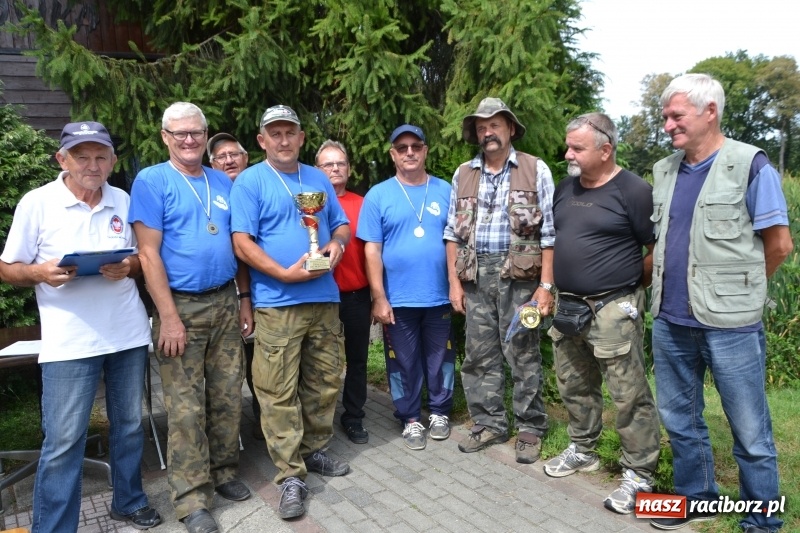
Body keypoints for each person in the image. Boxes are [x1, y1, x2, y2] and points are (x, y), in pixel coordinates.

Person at [0, 121, 161, 532]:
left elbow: (145, 256)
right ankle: (54, 527)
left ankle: (129, 501)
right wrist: (40, 272)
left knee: (127, 427)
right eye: (82, 156)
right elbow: (7, 267)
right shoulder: (37, 203)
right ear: (63, 159)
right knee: (64, 441)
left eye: (100, 156)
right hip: (70, 342)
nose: (93, 165)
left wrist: (128, 266)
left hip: (127, 332)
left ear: (112, 160)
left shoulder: (124, 199)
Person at [650, 73, 793, 532]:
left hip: (731, 324)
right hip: (670, 320)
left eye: (677, 116)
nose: (668, 125)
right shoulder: (664, 170)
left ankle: (761, 521)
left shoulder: (750, 164)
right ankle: (695, 499)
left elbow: (779, 245)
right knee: (680, 420)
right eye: (665, 117)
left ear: (709, 111)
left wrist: (744, 292)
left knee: (750, 431)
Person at [130, 103, 253, 533]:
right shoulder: (152, 180)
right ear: (165, 136)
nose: (188, 140)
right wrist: (167, 316)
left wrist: (243, 299)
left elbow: (237, 246)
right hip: (179, 306)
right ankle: (191, 499)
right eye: (179, 133)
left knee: (226, 394)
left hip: (223, 301)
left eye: (196, 133)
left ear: (206, 136)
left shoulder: (221, 180)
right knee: (184, 408)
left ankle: (223, 472)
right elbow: (147, 254)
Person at [230, 104, 351, 520]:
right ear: (262, 141)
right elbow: (241, 242)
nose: (283, 140)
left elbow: (339, 225)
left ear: (301, 138)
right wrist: (282, 273)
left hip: (323, 298)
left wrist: (336, 246)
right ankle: (290, 474)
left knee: (325, 381)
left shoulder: (317, 179)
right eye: (274, 134)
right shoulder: (250, 181)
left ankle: (315, 450)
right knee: (277, 392)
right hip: (277, 303)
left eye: (290, 133)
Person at [542, 112, 661, 514]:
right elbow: (554, 243)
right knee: (574, 385)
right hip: (567, 304)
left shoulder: (634, 190)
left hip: (613, 306)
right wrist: (547, 288)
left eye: (577, 147)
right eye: (568, 145)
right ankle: (582, 450)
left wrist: (629, 287)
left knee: (628, 394)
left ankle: (639, 475)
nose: (567, 153)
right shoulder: (565, 188)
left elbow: (654, 251)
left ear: (605, 149)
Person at [444, 97, 555, 464]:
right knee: (479, 356)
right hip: (475, 277)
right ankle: (489, 423)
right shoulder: (463, 173)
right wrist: (454, 284)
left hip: (521, 279)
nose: (487, 132)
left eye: (494, 125)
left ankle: (530, 427)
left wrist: (546, 286)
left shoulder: (535, 169)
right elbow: (452, 234)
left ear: (510, 127)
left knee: (523, 352)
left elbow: (550, 234)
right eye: (480, 127)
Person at [357, 125, 455, 451]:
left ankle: (440, 411)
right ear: (393, 154)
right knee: (402, 361)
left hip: (439, 295)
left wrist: (456, 285)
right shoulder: (378, 195)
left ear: (425, 151)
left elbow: (457, 242)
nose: (409, 152)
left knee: (440, 358)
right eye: (402, 147)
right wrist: (378, 296)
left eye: (416, 146)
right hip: (397, 298)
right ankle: (410, 417)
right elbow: (371, 249)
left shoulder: (445, 191)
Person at [207, 132, 264, 441]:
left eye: (234, 154)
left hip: (267, 293)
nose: (228, 160)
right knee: (227, 374)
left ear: (246, 158)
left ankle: (267, 429)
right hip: (226, 296)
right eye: (220, 157)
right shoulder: (211, 194)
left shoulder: (259, 186)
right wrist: (244, 296)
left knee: (263, 369)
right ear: (212, 164)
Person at [315, 140, 372, 444]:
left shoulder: (364, 204)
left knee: (357, 360)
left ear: (348, 169)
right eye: (328, 164)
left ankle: (353, 415)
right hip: (318, 298)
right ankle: (317, 419)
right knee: (319, 363)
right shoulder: (308, 203)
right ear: (317, 170)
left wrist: (377, 295)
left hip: (356, 297)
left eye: (340, 163)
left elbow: (376, 254)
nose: (335, 168)